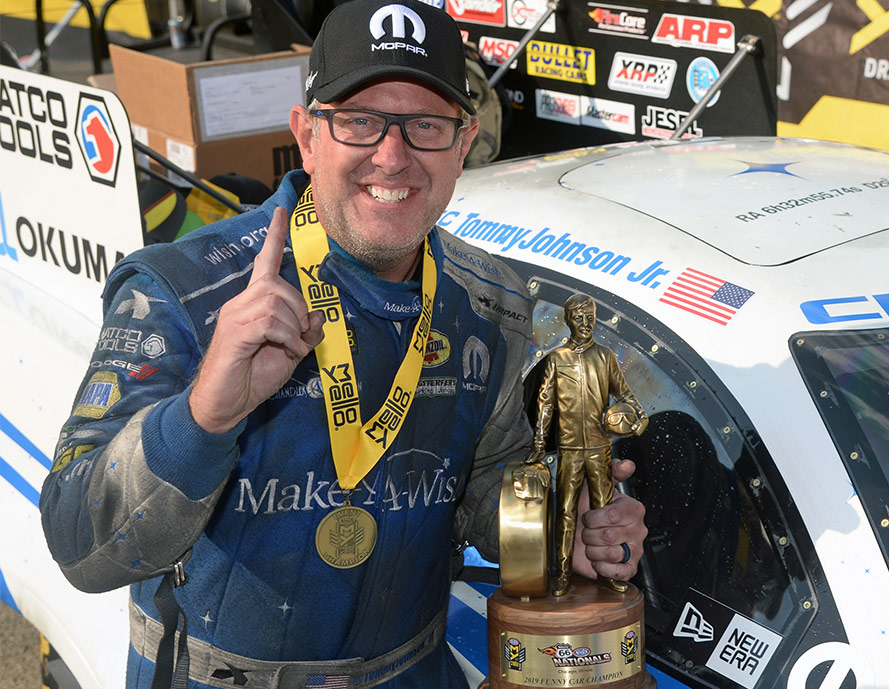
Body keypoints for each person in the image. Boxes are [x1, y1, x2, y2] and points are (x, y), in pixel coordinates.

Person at [38, 1, 646, 687]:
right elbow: (78, 544)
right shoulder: (184, 291)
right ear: (306, 136)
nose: (393, 156)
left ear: (463, 140)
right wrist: (204, 414)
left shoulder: (489, 301)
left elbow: (484, 493)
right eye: (359, 121)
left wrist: (565, 532)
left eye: (424, 125)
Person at [526, 294, 648, 596]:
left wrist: (639, 420)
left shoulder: (605, 356)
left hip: (599, 449)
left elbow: (626, 394)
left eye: (590, 317)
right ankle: (563, 574)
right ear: (568, 320)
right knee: (566, 513)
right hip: (568, 450)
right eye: (578, 317)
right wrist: (540, 444)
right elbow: (545, 404)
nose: (585, 323)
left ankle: (604, 575)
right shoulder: (556, 359)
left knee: (600, 510)